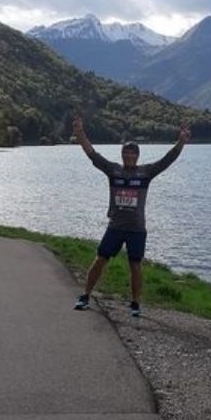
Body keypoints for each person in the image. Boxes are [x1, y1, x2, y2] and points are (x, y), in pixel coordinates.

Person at [71, 114, 189, 317]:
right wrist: (79, 133)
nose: (129, 156)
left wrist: (181, 141)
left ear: (138, 155)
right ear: (122, 154)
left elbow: (167, 160)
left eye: (133, 153)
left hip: (136, 229)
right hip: (115, 226)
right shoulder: (113, 170)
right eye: (126, 153)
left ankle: (134, 303)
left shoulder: (146, 173)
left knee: (135, 266)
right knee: (100, 260)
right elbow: (92, 153)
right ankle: (85, 296)